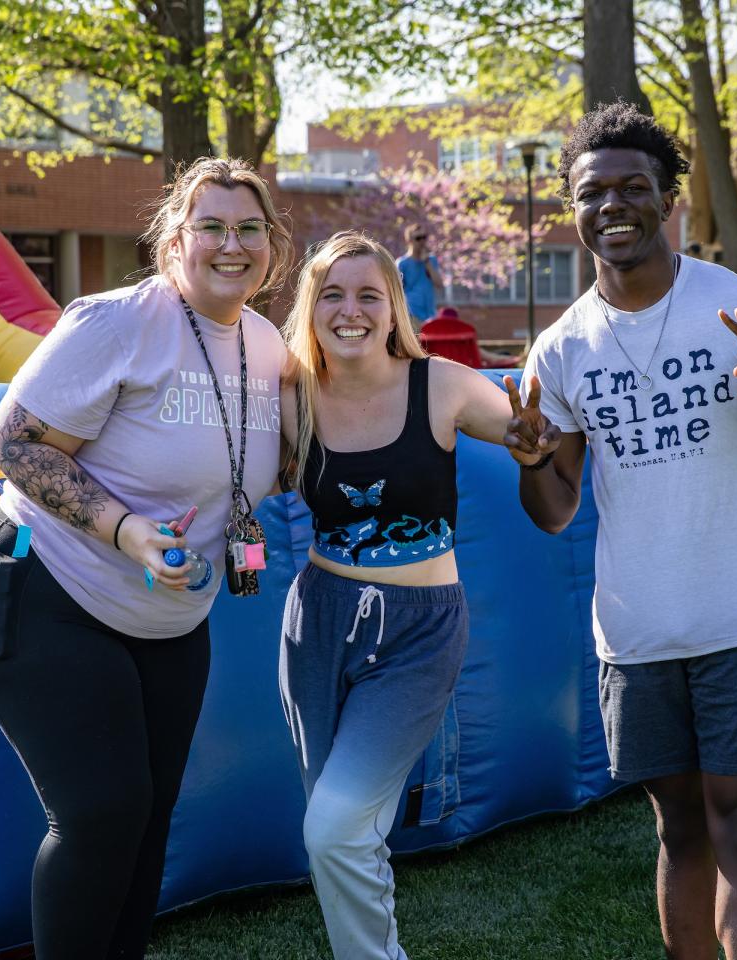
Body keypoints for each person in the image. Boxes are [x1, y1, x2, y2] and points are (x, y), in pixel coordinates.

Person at [505, 101, 737, 960]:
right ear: (574, 208)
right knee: (680, 833)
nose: (615, 205)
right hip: (637, 632)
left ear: (668, 200)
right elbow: (556, 510)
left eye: (636, 187)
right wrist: (529, 459)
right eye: (595, 192)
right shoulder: (560, 350)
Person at [0, 157, 293, 960]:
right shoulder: (116, 322)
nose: (230, 244)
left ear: (273, 246)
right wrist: (126, 529)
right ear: (175, 239)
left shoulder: (266, 343)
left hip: (171, 615)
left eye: (249, 228)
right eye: (210, 225)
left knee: (146, 819)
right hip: (42, 585)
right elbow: (14, 442)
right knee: (102, 812)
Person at [278, 231, 553, 960]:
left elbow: (527, 436)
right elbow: (235, 476)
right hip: (319, 621)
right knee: (337, 832)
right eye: (332, 293)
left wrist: (531, 441)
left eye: (369, 294)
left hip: (418, 632)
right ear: (311, 306)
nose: (350, 310)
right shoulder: (293, 398)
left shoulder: (442, 383)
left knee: (335, 827)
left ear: (394, 306)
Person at [396, 222, 443, 325]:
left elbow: (439, 284)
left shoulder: (431, 260)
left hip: (430, 315)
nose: (422, 241)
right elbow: (397, 291)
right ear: (409, 240)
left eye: (424, 237)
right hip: (411, 314)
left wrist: (427, 263)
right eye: (418, 238)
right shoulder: (402, 263)